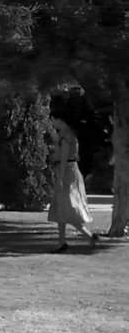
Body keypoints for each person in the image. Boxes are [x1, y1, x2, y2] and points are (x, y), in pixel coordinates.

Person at [48, 100, 98, 253]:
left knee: (68, 210)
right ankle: (62, 242)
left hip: (67, 172)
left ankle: (89, 236)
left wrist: (61, 179)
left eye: (53, 120)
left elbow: (64, 159)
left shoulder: (67, 137)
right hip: (68, 171)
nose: (52, 123)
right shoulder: (64, 134)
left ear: (60, 120)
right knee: (60, 210)